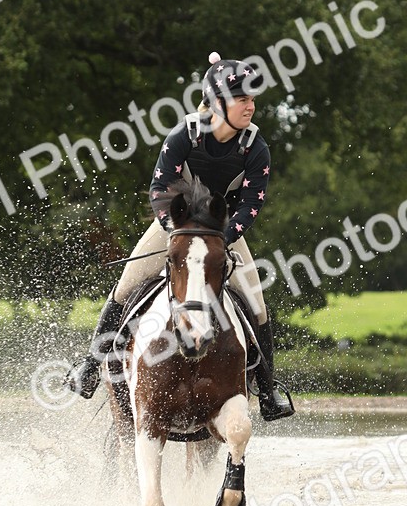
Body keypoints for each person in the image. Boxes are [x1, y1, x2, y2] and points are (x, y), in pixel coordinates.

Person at [67, 52, 294, 420]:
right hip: (174, 228)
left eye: (251, 98)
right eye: (242, 99)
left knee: (257, 305)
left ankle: (268, 394)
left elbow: (251, 205)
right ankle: (90, 368)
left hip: (224, 235)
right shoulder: (183, 136)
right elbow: (159, 190)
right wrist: (179, 234)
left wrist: (221, 237)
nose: (250, 106)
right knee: (125, 289)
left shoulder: (257, 149)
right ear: (217, 102)